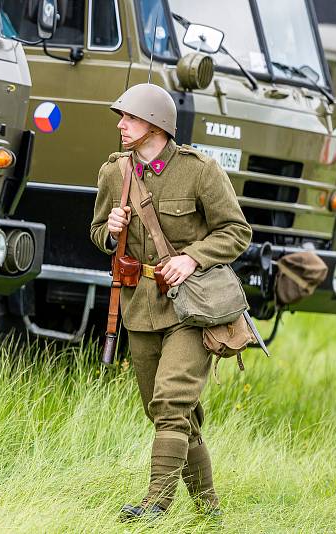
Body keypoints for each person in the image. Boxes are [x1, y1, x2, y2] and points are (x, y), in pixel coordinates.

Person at [89, 83, 252, 520]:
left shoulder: (200, 170)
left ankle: (155, 504)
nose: (121, 125)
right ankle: (209, 511)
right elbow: (98, 233)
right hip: (140, 304)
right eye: (121, 118)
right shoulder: (114, 173)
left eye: (130, 118)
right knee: (165, 413)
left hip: (192, 306)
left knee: (172, 402)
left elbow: (237, 231)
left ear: (156, 125)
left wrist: (192, 258)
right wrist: (111, 228)